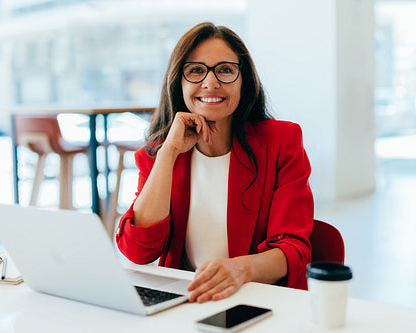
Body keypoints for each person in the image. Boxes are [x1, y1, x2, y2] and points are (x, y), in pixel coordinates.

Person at [116, 22, 314, 303]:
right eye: (196, 70)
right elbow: (138, 251)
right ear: (178, 82)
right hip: (187, 301)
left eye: (225, 70)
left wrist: (241, 269)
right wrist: (169, 152)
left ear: (243, 80)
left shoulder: (282, 141)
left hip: (255, 300)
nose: (210, 83)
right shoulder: (160, 153)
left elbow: (294, 249)